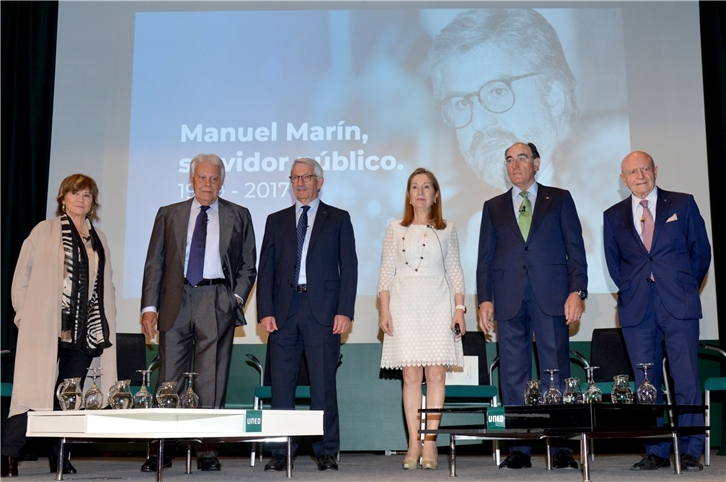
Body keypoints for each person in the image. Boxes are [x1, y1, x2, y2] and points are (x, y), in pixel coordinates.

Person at [427, 8, 630, 292]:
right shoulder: (468, 227)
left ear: (554, 95)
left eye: (497, 91)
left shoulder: (611, 196)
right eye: (461, 103)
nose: (480, 122)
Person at [140, 153, 256, 472]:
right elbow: (155, 263)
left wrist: (233, 299)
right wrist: (149, 307)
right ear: (191, 180)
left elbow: (248, 265)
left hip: (216, 298)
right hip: (175, 299)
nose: (208, 184)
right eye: (202, 177)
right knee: (168, 379)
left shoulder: (239, 214)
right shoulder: (168, 213)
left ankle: (207, 451)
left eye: (214, 178)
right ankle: (160, 450)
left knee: (212, 379)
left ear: (222, 181)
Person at [476, 142, 587, 469]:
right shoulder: (492, 207)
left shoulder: (560, 199)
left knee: (556, 370)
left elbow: (575, 251)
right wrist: (484, 299)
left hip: (552, 295)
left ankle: (560, 448)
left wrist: (576, 291)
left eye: (522, 158)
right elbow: (484, 259)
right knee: (513, 374)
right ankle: (519, 448)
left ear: (536, 163)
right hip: (508, 298)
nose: (515, 165)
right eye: (509, 160)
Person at [2, 174, 118, 478]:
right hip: (45, 326)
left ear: (93, 203)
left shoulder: (99, 238)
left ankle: (60, 456)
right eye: (75, 193)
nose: (81, 199)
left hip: (84, 332)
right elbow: (22, 276)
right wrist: (24, 314)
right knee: (31, 392)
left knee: (68, 397)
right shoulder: (44, 231)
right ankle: (9, 454)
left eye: (87, 195)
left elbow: (104, 284)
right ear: (62, 198)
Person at [603, 151, 710, 472]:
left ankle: (691, 448)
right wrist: (635, 287)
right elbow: (614, 263)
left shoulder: (682, 203)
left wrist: (684, 284)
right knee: (645, 382)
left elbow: (700, 253)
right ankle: (656, 448)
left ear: (655, 171)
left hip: (679, 302)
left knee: (686, 378)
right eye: (632, 172)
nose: (640, 176)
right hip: (637, 308)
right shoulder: (613, 215)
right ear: (623, 180)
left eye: (644, 169)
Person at [257, 157, 357, 472]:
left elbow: (350, 268)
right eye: (295, 177)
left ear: (320, 181)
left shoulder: (338, 219)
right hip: (284, 312)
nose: (300, 183)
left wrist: (345, 311)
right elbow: (266, 269)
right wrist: (265, 310)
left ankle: (325, 450)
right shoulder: (275, 220)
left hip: (323, 313)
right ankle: (281, 450)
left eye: (307, 177)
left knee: (323, 385)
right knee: (281, 387)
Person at [378, 168, 466, 470]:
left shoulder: (447, 228)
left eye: (426, 186)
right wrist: (384, 310)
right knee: (411, 376)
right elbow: (385, 274)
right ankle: (413, 443)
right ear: (408, 194)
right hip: (404, 305)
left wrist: (459, 309)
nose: (420, 191)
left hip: (438, 304)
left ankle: (430, 443)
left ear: (435, 194)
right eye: (414, 186)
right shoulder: (395, 228)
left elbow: (455, 272)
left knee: (437, 375)